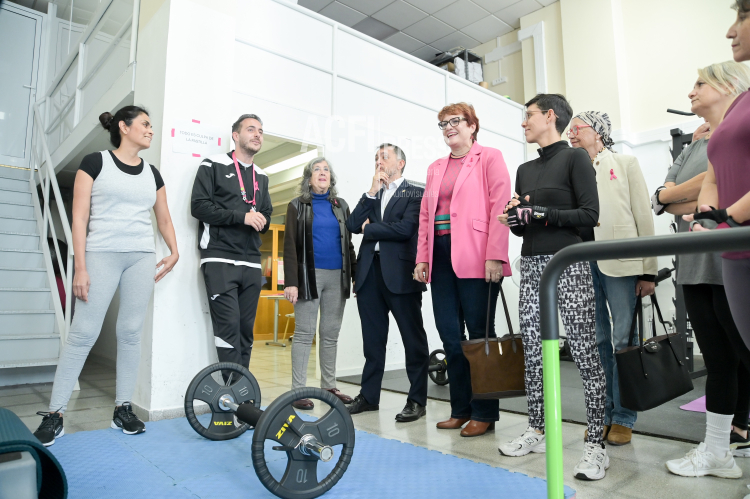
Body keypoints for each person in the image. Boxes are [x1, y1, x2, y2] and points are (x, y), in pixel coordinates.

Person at [33, 106, 179, 446]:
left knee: (130, 333)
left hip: (141, 256)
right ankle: (55, 415)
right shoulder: (95, 162)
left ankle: (122, 409)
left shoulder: (152, 173)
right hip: (101, 254)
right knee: (83, 333)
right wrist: (80, 267)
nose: (150, 130)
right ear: (124, 127)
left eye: (151, 125)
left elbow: (164, 219)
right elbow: (80, 217)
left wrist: (174, 251)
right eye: (145, 124)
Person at [497, 94, 607, 481]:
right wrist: (516, 218)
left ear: (549, 116)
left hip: (569, 263)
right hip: (531, 266)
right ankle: (538, 429)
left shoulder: (575, 158)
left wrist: (539, 212)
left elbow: (589, 215)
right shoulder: (525, 169)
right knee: (532, 351)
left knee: (584, 351)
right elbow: (526, 228)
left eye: (528, 115)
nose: (523, 122)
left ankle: (596, 444)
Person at [676, 4, 750, 480]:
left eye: (700, 83)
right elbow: (699, 185)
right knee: (724, 357)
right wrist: (708, 213)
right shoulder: (718, 131)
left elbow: (678, 193)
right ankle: (719, 450)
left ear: (727, 85)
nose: (730, 30)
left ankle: (734, 436)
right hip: (722, 249)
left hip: (734, 238)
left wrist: (726, 216)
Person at [415, 102, 511, 437]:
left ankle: (484, 413)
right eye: (443, 123)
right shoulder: (435, 168)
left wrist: (495, 254)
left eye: (455, 121)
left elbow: (501, 206)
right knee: (450, 336)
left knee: (480, 336)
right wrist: (422, 257)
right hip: (440, 256)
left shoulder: (490, 157)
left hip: (477, 254)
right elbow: (426, 215)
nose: (448, 127)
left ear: (472, 126)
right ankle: (461, 409)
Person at [568, 110, 657, 446]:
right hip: (582, 260)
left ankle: (623, 417)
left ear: (598, 132)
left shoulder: (624, 163)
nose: (571, 134)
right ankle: (603, 415)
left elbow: (643, 214)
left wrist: (648, 270)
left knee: (624, 340)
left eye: (577, 128)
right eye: (569, 130)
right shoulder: (571, 168)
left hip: (621, 261)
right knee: (597, 342)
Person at [345, 144, 429, 422]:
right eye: (376, 158)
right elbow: (352, 224)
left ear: (401, 163)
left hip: (402, 275)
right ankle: (369, 397)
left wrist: (370, 228)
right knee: (373, 342)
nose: (379, 161)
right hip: (369, 275)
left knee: (413, 340)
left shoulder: (415, 193)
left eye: (384, 157)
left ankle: (416, 400)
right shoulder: (374, 194)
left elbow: (406, 229)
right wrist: (371, 192)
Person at [190, 114, 273, 373]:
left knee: (246, 331)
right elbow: (199, 207)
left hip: (251, 262)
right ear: (235, 136)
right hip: (220, 258)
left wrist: (261, 220)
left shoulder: (262, 176)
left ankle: (242, 389)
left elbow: (267, 215)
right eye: (251, 129)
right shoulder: (212, 164)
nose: (257, 134)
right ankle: (232, 390)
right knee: (228, 329)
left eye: (260, 131)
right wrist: (242, 217)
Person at [283, 157, 355, 410]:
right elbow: (289, 245)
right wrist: (291, 282)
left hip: (338, 277)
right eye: (317, 169)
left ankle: (329, 386)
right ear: (308, 178)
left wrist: (355, 276)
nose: (322, 173)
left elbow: (348, 243)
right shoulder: (296, 205)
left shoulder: (341, 205)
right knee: (304, 333)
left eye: (326, 169)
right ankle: (298, 390)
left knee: (330, 333)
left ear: (331, 178)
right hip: (307, 277)